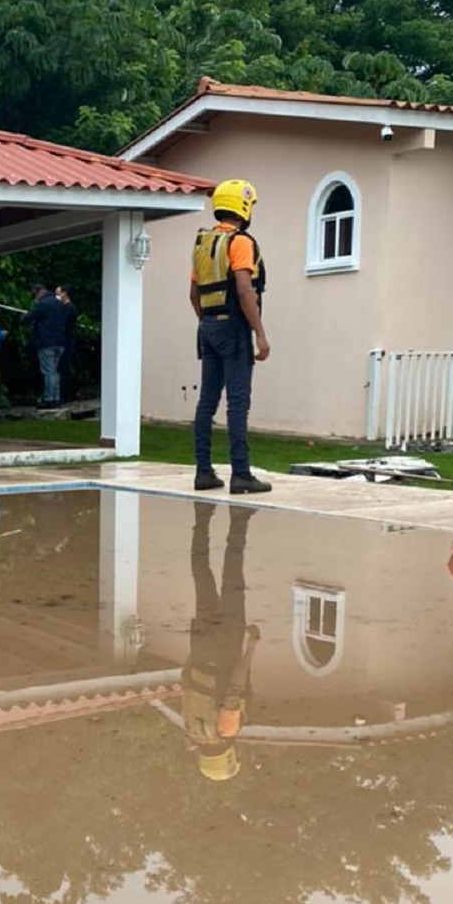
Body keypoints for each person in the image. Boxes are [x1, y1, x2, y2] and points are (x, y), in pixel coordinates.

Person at [190, 178, 272, 495]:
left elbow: (193, 293)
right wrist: (260, 334)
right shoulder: (240, 242)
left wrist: (207, 323)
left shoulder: (203, 244)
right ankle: (241, 474)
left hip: (207, 326)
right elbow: (244, 289)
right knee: (238, 402)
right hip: (233, 328)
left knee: (207, 401)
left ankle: (204, 472)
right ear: (244, 207)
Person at [183, 500, 261, 782]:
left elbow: (234, 690)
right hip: (202, 643)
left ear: (227, 758)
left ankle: (239, 519)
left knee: (232, 578)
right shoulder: (191, 729)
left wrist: (251, 646)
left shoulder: (225, 730)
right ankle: (201, 516)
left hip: (227, 641)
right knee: (202, 575)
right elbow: (186, 678)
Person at [24, 282, 68, 409]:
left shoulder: (42, 304)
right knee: (54, 372)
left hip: (46, 343)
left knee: (48, 372)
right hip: (60, 342)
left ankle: (49, 399)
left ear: (38, 292)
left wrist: (24, 318)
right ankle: (56, 398)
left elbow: (29, 318)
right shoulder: (60, 303)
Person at [55, 285, 78, 403]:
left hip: (67, 342)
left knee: (65, 368)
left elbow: (62, 322)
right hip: (64, 341)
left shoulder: (69, 308)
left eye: (58, 294)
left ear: (65, 294)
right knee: (63, 367)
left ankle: (68, 394)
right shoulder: (65, 308)